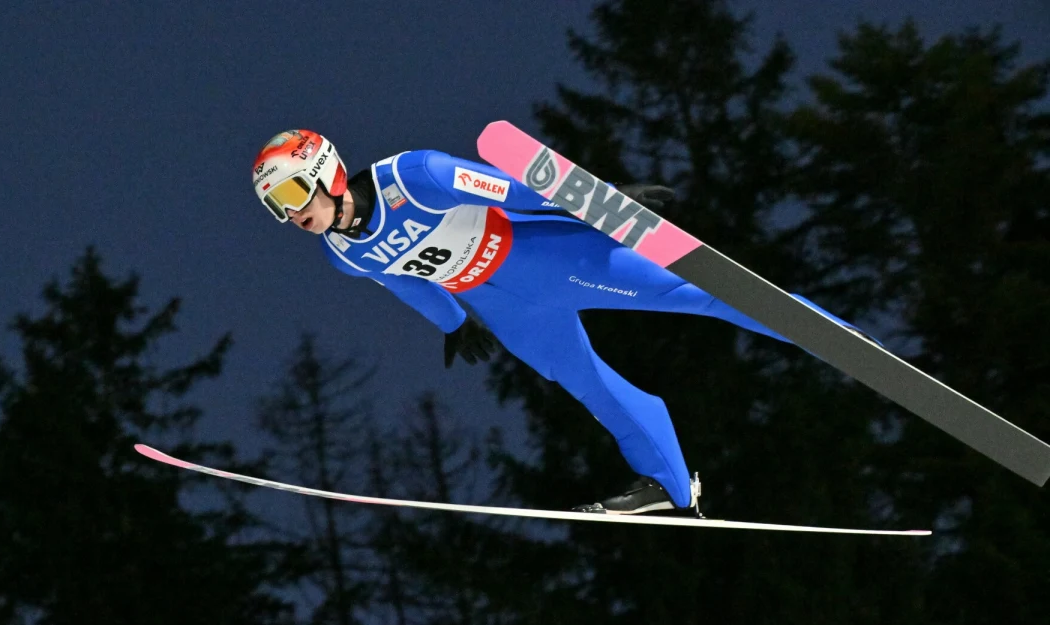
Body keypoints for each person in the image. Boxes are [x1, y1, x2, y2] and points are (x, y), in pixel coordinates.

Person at [252, 129, 856, 515]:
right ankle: (669, 485)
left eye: (294, 194)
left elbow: (509, 190)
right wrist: (455, 323)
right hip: (508, 309)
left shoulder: (416, 176)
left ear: (328, 172)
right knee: (589, 385)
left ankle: (841, 340)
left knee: (699, 292)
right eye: (278, 207)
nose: (291, 215)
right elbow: (404, 281)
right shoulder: (344, 252)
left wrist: (603, 202)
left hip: (549, 257)